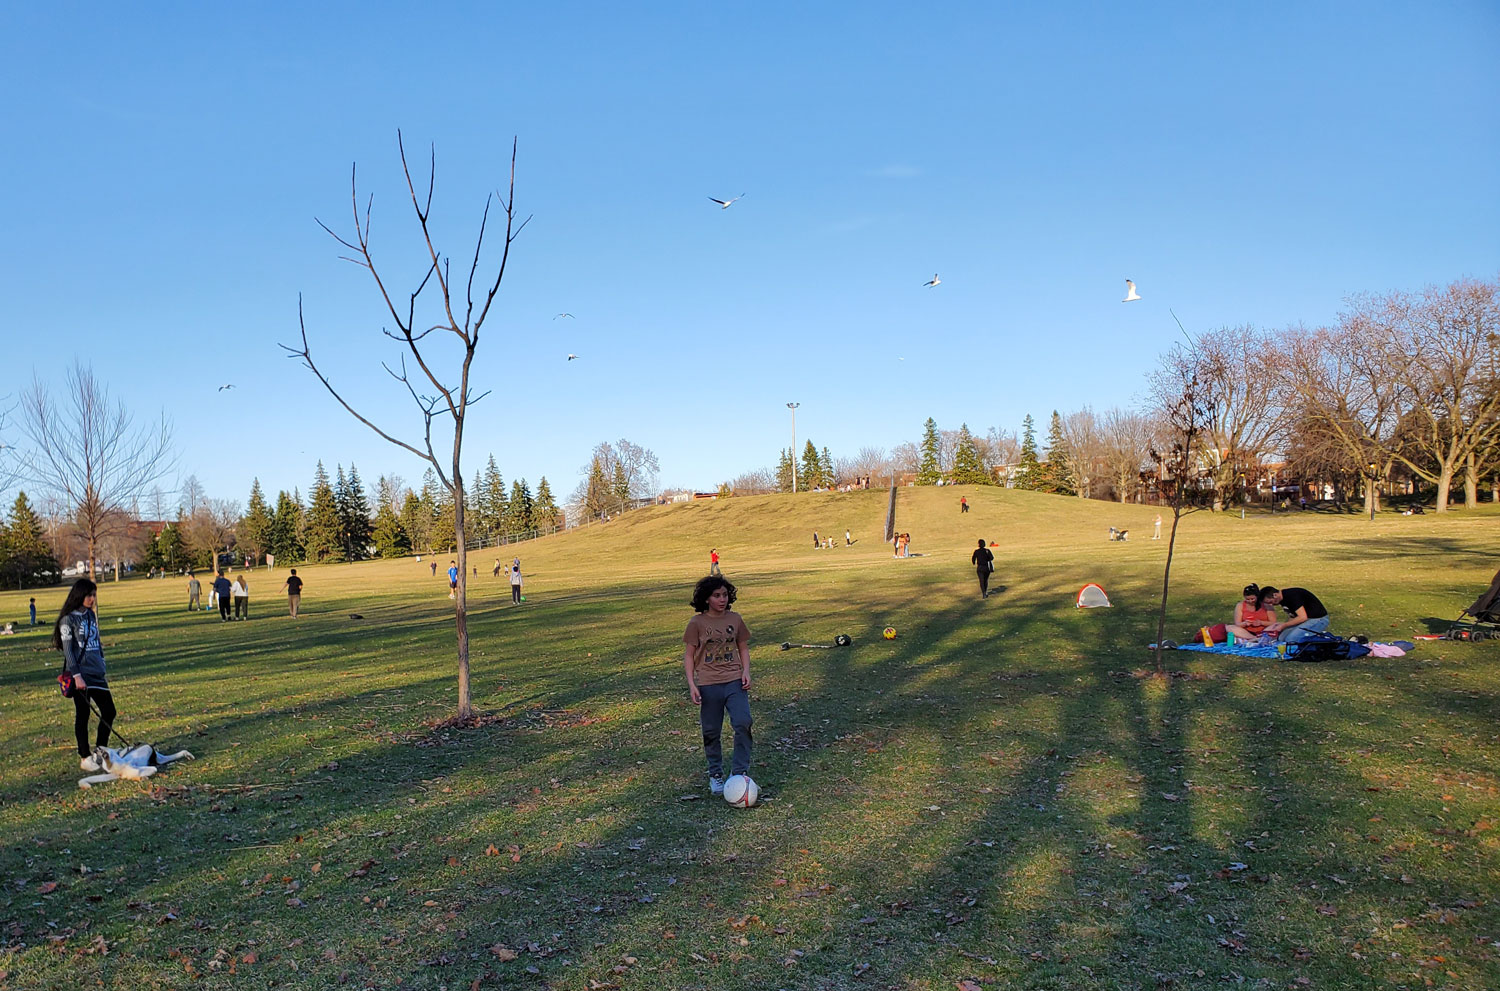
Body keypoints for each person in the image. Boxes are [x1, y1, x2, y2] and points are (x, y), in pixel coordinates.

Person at [682, 575, 752, 796]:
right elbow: (689, 655)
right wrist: (692, 684)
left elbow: (743, 647)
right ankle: (715, 774)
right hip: (709, 684)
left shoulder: (736, 619)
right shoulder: (697, 623)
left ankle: (739, 773)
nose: (722, 600)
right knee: (711, 731)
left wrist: (746, 671)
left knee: (743, 722)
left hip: (734, 680)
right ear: (706, 599)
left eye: (724, 595)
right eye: (716, 596)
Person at [55, 578, 115, 771]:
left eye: (94, 595)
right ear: (80, 595)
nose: (92, 599)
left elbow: (97, 641)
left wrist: (102, 662)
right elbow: (69, 651)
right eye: (89, 595)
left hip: (97, 673)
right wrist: (76, 675)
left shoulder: (90, 615)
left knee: (109, 711)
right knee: (83, 714)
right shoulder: (68, 620)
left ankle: (100, 749)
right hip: (80, 674)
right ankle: (84, 755)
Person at [1260, 585, 1330, 643]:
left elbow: (1302, 617)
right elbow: (1293, 616)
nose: (1272, 604)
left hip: (1318, 619)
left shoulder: (1292, 596)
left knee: (1291, 640)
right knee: (1281, 639)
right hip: (1305, 620)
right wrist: (1280, 626)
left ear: (1275, 595)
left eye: (1271, 602)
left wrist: (1284, 625)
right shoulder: (1282, 600)